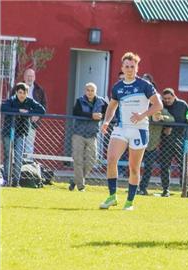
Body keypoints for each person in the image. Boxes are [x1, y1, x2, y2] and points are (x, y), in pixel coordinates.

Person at [99, 52, 163, 211]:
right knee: (111, 159)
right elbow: (112, 107)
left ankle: (129, 202)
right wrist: (107, 121)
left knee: (133, 167)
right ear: (122, 68)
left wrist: (142, 115)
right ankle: (112, 196)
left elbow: (158, 105)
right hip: (121, 128)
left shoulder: (145, 85)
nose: (129, 69)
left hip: (139, 129)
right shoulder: (118, 87)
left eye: (132, 67)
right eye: (126, 66)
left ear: (136, 68)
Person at [1, 82, 46, 187]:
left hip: (21, 133)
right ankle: (7, 180)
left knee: (18, 156)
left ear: (27, 93)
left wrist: (29, 111)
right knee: (8, 155)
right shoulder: (11, 100)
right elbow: (3, 108)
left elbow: (42, 110)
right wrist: (18, 110)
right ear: (16, 92)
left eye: (24, 93)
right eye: (20, 92)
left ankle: (16, 181)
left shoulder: (30, 101)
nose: (21, 95)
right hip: (9, 132)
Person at [69, 82, 108, 192]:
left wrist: (102, 116)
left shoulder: (101, 102)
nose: (90, 92)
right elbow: (76, 112)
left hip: (92, 135)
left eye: (92, 90)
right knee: (78, 160)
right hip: (78, 134)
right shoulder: (79, 101)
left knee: (92, 160)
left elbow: (109, 113)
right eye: (88, 90)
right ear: (85, 91)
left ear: (96, 91)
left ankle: (75, 180)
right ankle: (81, 187)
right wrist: (92, 116)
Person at [158, 88, 188, 197]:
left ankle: (185, 190)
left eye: (169, 98)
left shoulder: (182, 105)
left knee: (183, 166)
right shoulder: (161, 106)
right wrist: (164, 128)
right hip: (166, 141)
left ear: (174, 96)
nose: (167, 101)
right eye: (165, 99)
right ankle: (165, 190)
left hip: (180, 140)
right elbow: (157, 119)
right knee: (164, 166)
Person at [9, 69, 47, 161]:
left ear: (34, 77)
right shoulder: (17, 88)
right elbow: (11, 103)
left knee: (29, 144)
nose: (30, 78)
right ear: (24, 77)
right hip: (18, 121)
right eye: (28, 76)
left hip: (32, 122)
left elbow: (44, 105)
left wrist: (38, 115)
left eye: (32, 76)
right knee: (17, 143)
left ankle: (27, 168)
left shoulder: (39, 90)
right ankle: (15, 165)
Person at [138, 107, 175, 195]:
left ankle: (143, 188)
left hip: (152, 145)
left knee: (148, 167)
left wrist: (162, 117)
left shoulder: (163, 111)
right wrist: (151, 117)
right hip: (139, 143)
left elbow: (172, 119)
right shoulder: (146, 111)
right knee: (135, 166)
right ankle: (134, 187)